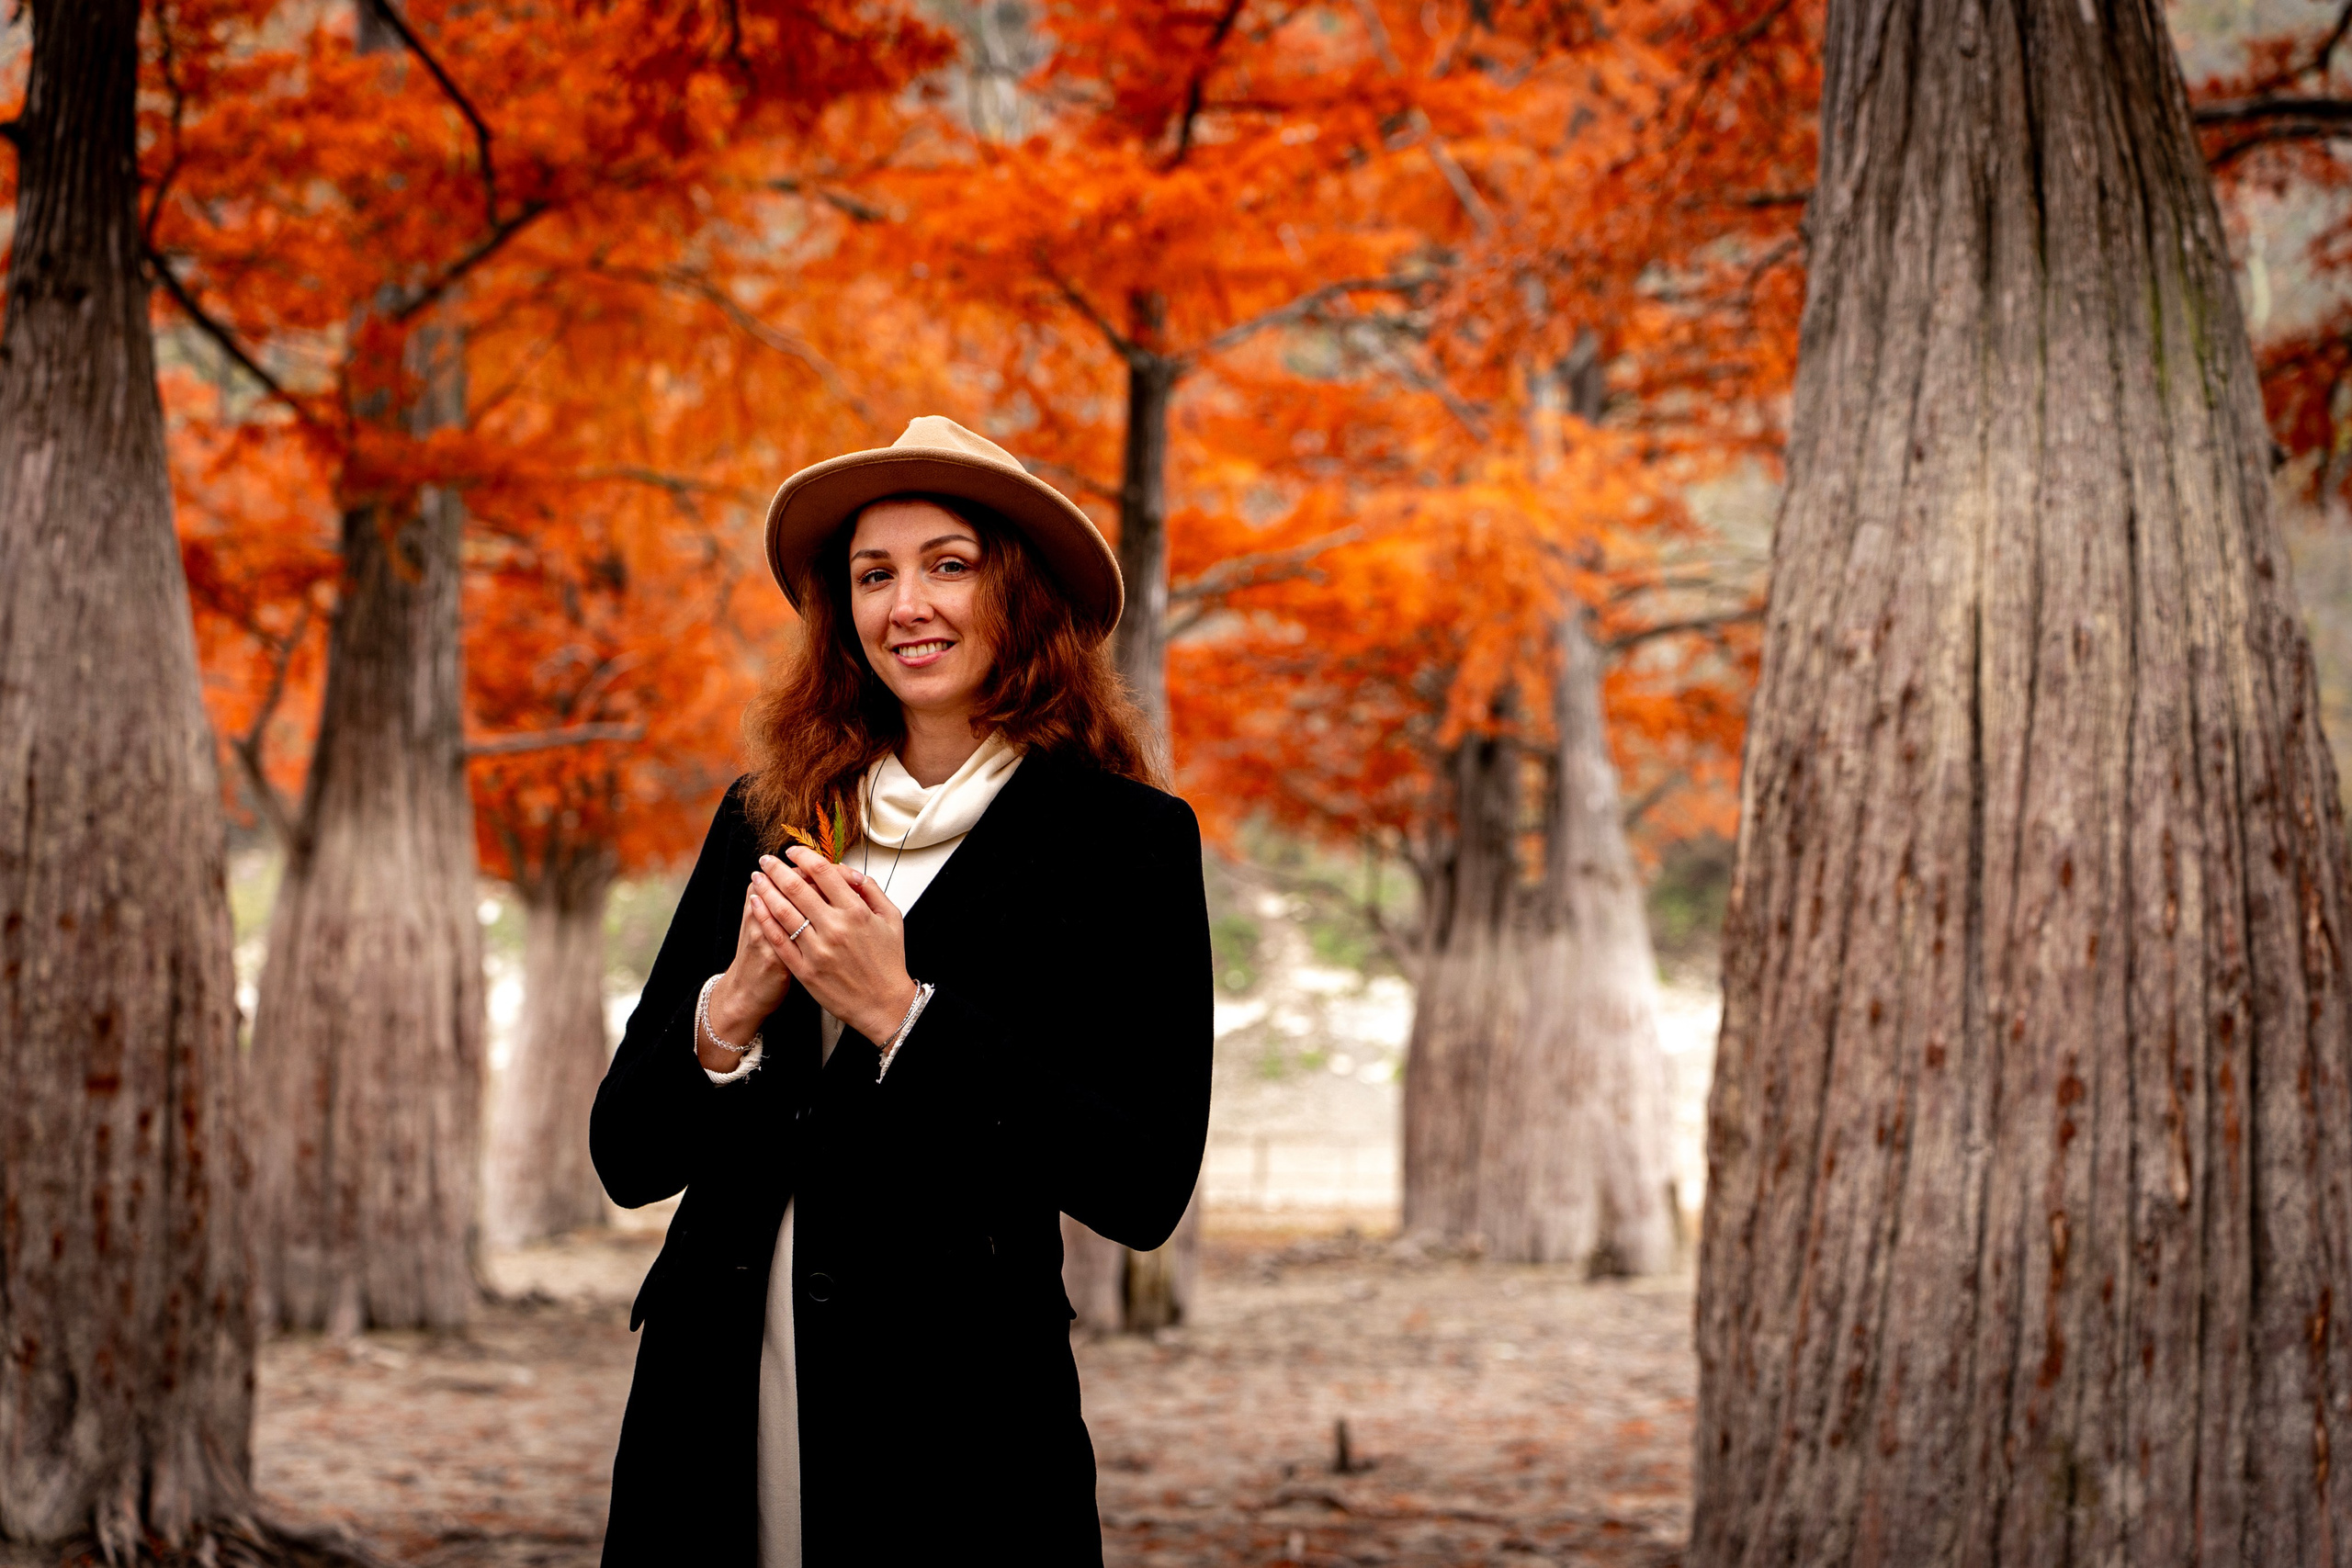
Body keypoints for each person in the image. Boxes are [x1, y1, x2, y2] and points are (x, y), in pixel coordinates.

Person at [591, 416, 1211, 1566]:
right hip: (714, 1394)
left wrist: (906, 1017)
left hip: (954, 1427)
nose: (905, 605)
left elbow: (1143, 1183)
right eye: (874, 575)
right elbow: (626, 1155)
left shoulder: (1124, 843)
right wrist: (727, 1014)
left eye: (949, 566)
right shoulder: (763, 817)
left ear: (1019, 594)